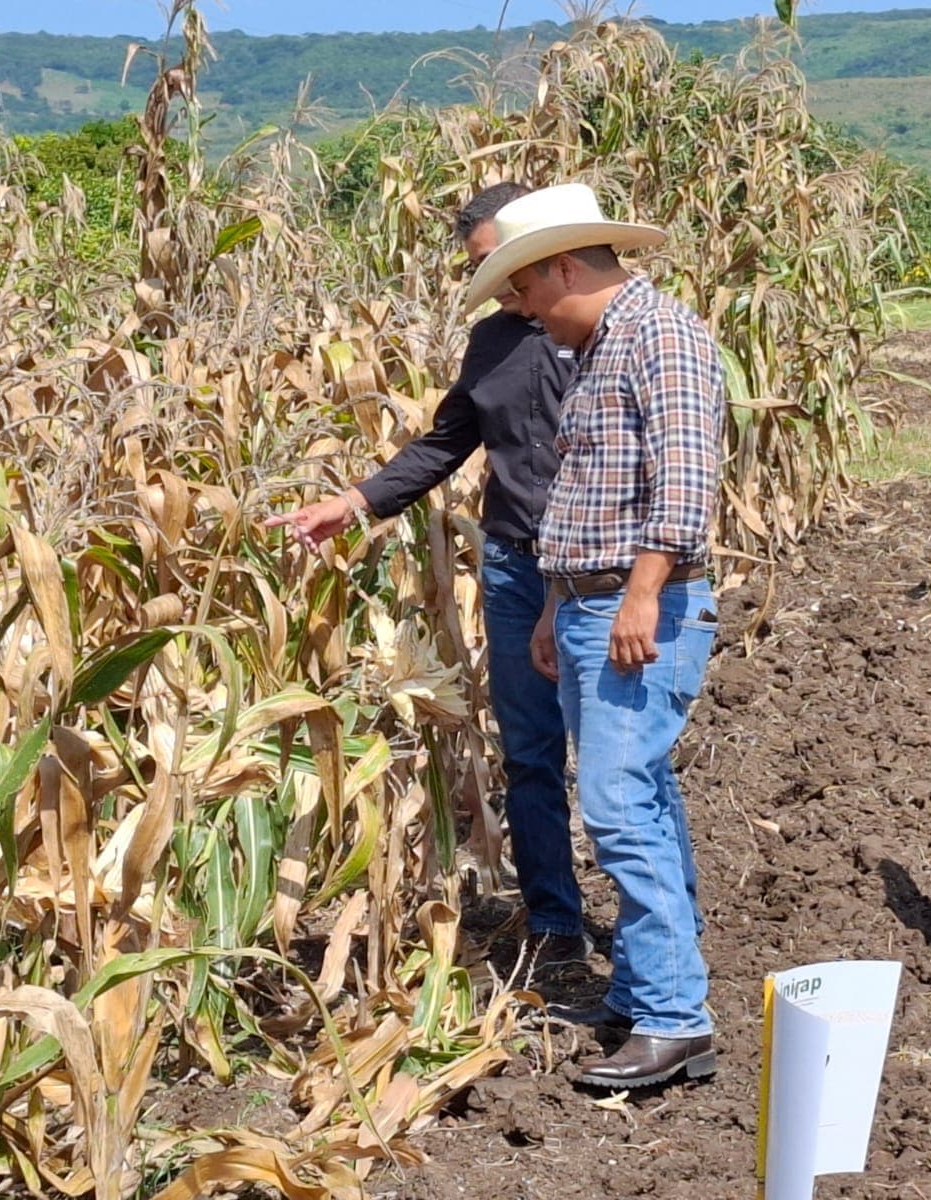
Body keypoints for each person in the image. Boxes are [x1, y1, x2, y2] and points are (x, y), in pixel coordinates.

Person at [266, 183, 591, 980]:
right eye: (484, 268)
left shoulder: (609, 333)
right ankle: (555, 921)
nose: (499, 282)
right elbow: (447, 442)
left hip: (599, 573)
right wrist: (353, 503)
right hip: (518, 568)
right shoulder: (493, 343)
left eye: (506, 263)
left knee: (624, 770)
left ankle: (663, 936)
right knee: (530, 752)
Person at [463, 182, 724, 1090]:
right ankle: (650, 992)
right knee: (634, 795)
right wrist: (552, 606)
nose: (525, 308)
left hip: (633, 608)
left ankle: (675, 1019)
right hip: (583, 604)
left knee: (616, 804)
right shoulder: (601, 346)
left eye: (527, 287)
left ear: (566, 268)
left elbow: (685, 484)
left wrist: (641, 597)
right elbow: (581, 494)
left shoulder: (662, 336)